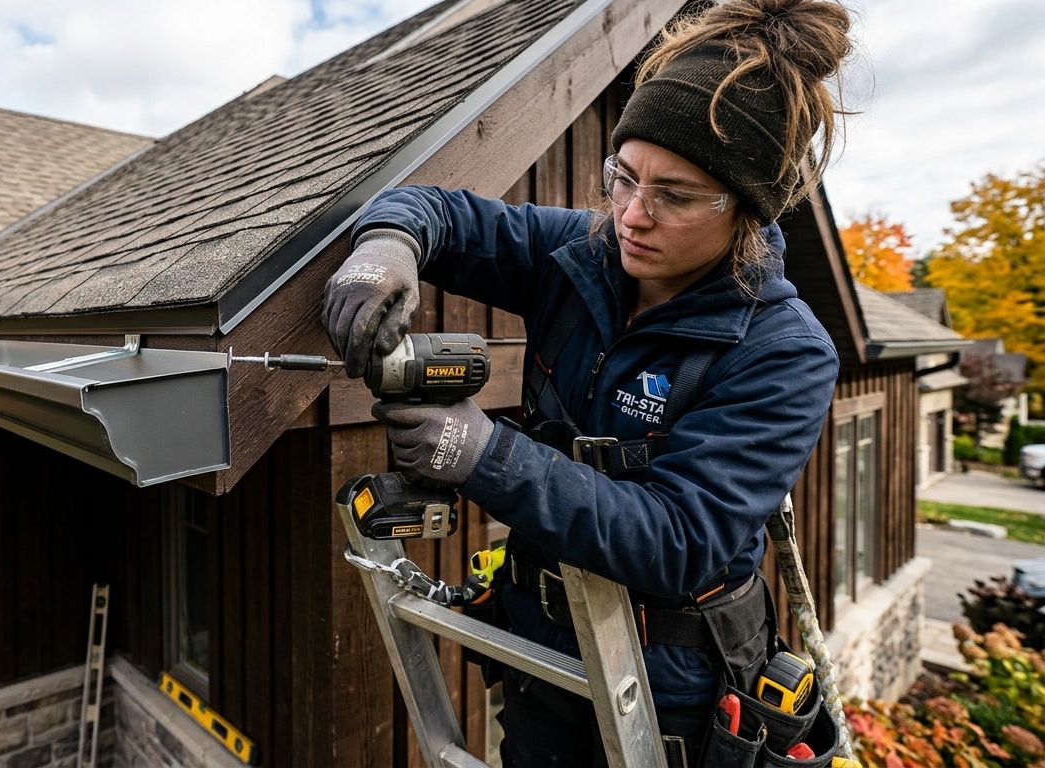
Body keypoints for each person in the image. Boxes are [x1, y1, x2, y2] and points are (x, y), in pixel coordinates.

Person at [321, 0, 854, 765]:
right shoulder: (585, 254)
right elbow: (437, 208)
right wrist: (388, 244)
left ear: (744, 211)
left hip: (671, 691)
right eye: (623, 177)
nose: (633, 215)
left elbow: (681, 543)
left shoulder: (783, 351)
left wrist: (482, 453)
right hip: (542, 647)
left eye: (672, 196)